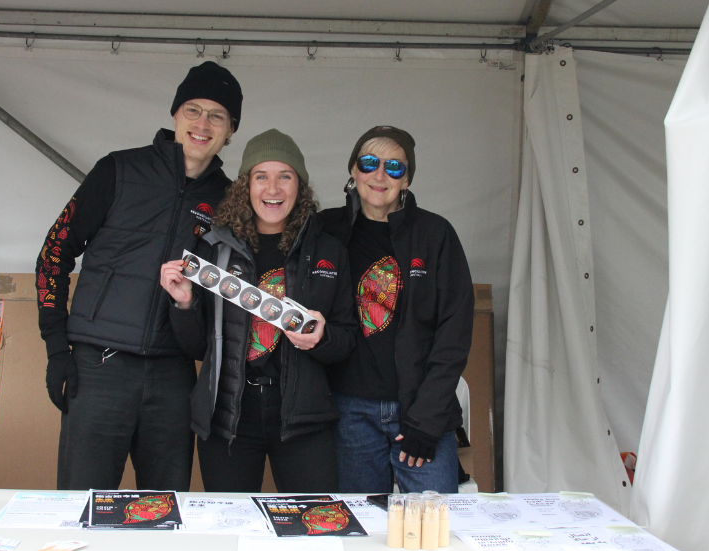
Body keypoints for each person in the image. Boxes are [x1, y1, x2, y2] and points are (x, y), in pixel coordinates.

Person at [35, 61, 243, 491]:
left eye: (217, 115)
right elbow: (53, 256)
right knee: (83, 506)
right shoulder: (117, 170)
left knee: (163, 512)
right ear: (174, 115)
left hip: (173, 378)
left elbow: (224, 301)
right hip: (98, 370)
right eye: (192, 110)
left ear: (231, 129)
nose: (202, 124)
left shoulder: (229, 200)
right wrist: (58, 350)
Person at [160, 129, 357, 492]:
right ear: (245, 186)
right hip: (228, 417)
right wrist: (184, 304)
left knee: (315, 527)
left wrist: (323, 336)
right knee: (232, 529)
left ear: (300, 186)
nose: (273, 189)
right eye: (261, 176)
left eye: (285, 176)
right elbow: (195, 349)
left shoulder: (328, 250)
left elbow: (347, 341)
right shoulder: (214, 248)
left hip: (303, 418)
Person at [319, 125, 475, 494]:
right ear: (353, 171)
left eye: (394, 167)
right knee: (362, 535)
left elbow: (454, 332)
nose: (379, 174)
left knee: (435, 533)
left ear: (406, 181)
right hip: (349, 412)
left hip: (420, 412)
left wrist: (428, 420)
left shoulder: (435, 234)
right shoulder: (325, 230)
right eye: (369, 162)